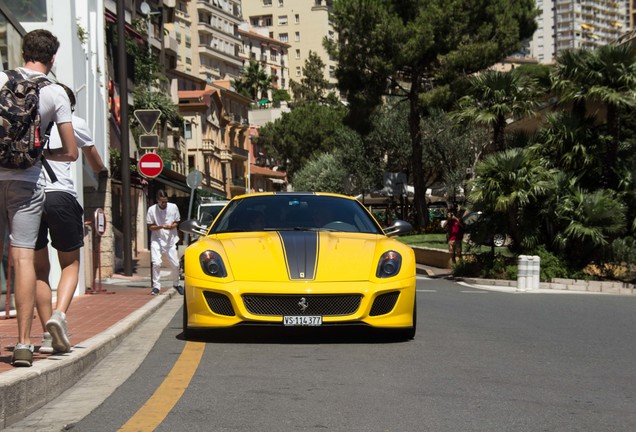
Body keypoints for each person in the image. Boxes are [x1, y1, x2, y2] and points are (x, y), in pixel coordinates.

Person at [0, 29, 78, 367]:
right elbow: (72, 151)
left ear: (22, 51)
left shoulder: (1, 78)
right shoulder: (56, 93)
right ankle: (22, 345)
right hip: (28, 183)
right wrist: (43, 153)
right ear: (52, 58)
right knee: (23, 261)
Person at [34, 83, 106, 354]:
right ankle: (59, 315)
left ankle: (46, 335)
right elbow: (94, 160)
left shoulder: (32, 123)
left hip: (31, 196)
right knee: (70, 263)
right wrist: (100, 169)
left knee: (40, 269)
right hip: (61, 196)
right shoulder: (75, 122)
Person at [147, 189, 183, 296]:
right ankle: (156, 286)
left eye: (166, 201)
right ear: (157, 200)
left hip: (170, 240)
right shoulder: (151, 210)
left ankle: (176, 284)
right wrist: (161, 226)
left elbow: (177, 221)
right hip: (157, 239)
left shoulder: (173, 207)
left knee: (175, 264)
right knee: (156, 262)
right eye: (162, 201)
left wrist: (172, 226)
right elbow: (150, 227)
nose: (164, 203)